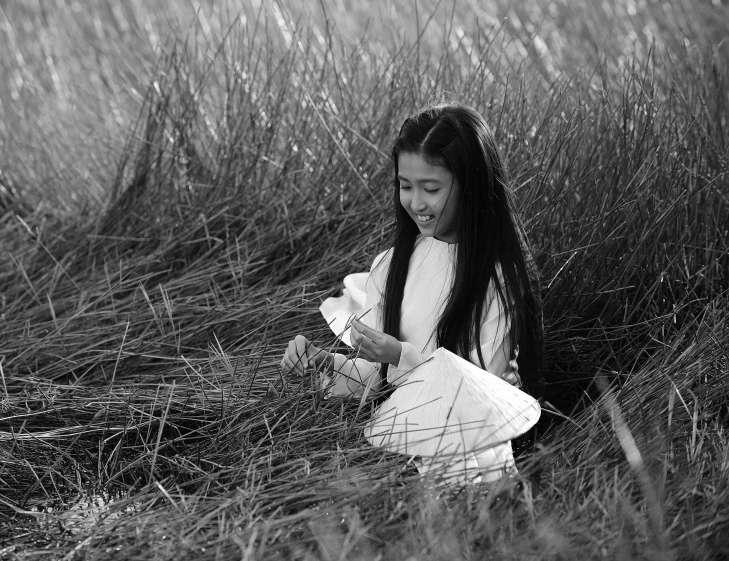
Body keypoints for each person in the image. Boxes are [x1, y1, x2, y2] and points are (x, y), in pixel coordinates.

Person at [281, 102, 544, 483]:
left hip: (470, 456)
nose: (416, 204)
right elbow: (378, 381)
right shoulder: (392, 265)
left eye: (431, 188)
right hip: (400, 441)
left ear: (472, 186)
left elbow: (481, 391)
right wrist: (323, 363)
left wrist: (401, 354)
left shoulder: (498, 279)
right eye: (406, 186)